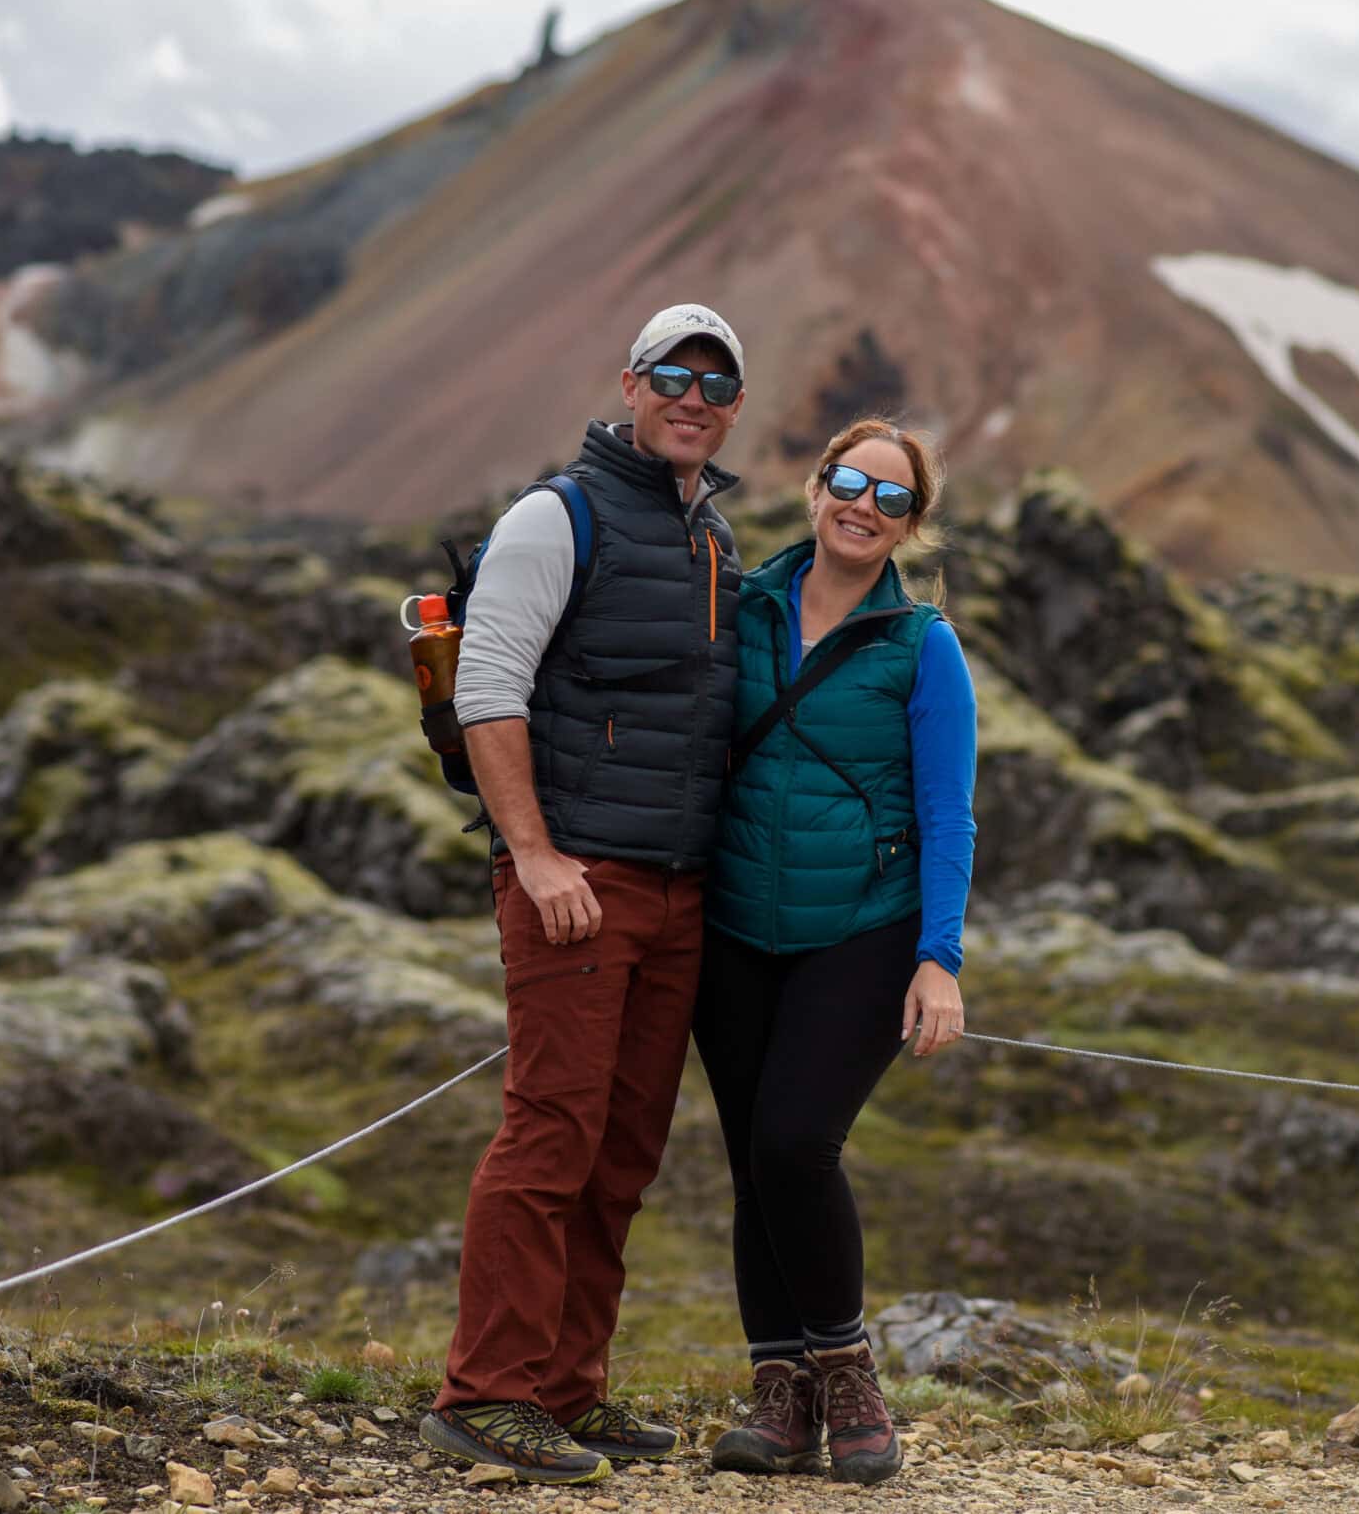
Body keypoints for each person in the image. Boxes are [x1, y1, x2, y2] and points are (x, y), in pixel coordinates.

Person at [419, 304, 749, 1486]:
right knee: (551, 1130)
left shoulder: (709, 537)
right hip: (574, 882)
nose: (692, 396)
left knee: (621, 1148)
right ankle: (487, 1392)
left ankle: (567, 1388)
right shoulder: (554, 517)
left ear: (732, 407)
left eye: (715, 382)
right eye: (673, 374)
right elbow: (488, 691)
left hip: (674, 889)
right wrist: (539, 855)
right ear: (630, 383)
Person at [694, 419, 977, 1485]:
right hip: (729, 926)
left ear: (911, 523)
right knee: (750, 1169)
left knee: (796, 1141)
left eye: (890, 496)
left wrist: (937, 956)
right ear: (815, 489)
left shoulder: (921, 645)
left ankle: (847, 1368)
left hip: (861, 930)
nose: (863, 504)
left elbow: (950, 814)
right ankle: (782, 1398)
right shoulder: (743, 604)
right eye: (848, 482)